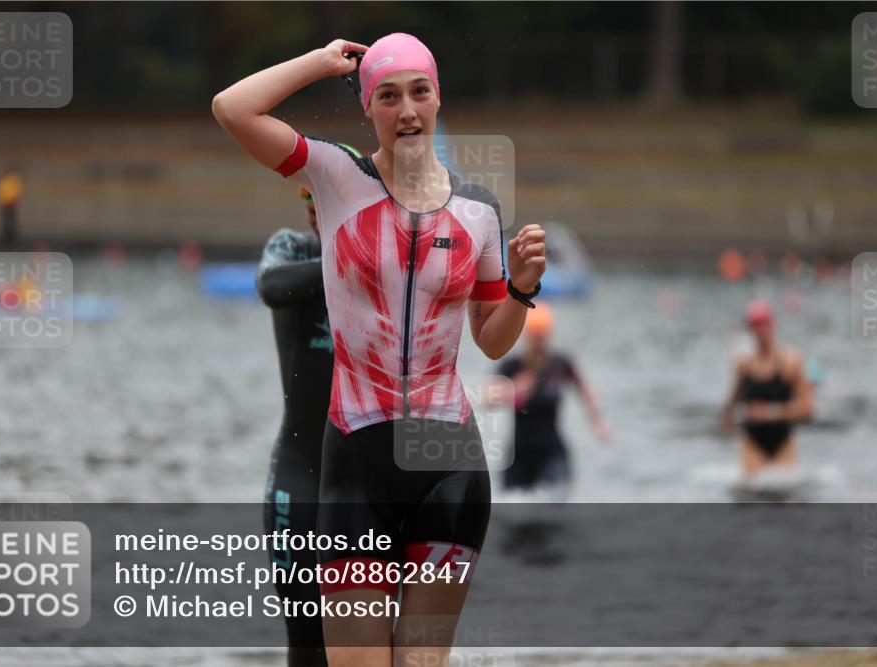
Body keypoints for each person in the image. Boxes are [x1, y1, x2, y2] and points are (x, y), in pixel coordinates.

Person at [213, 32, 547, 667]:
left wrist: (524, 289)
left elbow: (491, 335)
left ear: (438, 97)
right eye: (388, 96)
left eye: (419, 92)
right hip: (356, 464)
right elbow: (232, 108)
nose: (407, 110)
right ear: (368, 108)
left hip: (448, 461)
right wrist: (320, 63)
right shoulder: (335, 175)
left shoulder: (478, 209)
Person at [259, 181, 349, 667]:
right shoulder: (292, 247)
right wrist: (346, 260)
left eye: (328, 205)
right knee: (309, 640)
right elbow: (272, 288)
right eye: (310, 205)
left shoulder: (384, 258)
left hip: (366, 483)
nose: (317, 215)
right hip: (301, 479)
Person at [490, 302, 610, 500]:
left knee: (559, 502)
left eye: (542, 337)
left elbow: (585, 391)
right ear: (526, 336)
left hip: (551, 449)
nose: (539, 343)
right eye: (535, 337)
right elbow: (487, 399)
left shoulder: (560, 364)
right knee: (512, 512)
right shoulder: (512, 366)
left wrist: (597, 422)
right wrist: (511, 389)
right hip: (519, 453)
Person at [721, 299, 814, 477]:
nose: (760, 330)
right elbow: (732, 402)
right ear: (750, 329)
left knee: (785, 493)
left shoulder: (790, 362)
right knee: (750, 496)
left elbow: (808, 408)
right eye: (755, 325)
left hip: (783, 443)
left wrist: (771, 412)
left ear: (773, 325)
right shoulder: (743, 364)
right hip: (752, 443)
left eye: (764, 324)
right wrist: (728, 420)